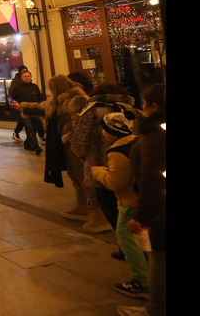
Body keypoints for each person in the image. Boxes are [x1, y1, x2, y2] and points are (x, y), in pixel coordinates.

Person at [117, 83, 166, 316]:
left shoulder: (155, 137)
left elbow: (152, 180)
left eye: (144, 104)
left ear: (153, 107)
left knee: (160, 262)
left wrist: (143, 216)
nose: (142, 108)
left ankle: (154, 310)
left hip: (161, 212)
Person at [91, 110, 149, 300]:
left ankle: (141, 281)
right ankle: (149, 271)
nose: (102, 133)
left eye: (104, 129)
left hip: (130, 201)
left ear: (111, 131)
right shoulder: (137, 140)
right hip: (143, 197)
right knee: (142, 238)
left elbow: (116, 182)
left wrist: (98, 172)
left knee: (125, 237)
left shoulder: (117, 151)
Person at [13, 75, 89, 217]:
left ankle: (89, 206)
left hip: (74, 145)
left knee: (80, 175)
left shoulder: (75, 100)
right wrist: (22, 107)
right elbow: (42, 108)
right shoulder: (56, 101)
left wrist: (70, 139)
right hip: (64, 143)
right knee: (73, 173)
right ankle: (82, 203)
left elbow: (80, 124)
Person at [71, 83, 140, 236]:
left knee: (111, 210)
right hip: (134, 170)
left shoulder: (91, 112)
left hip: (100, 170)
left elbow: (78, 141)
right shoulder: (132, 111)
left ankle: (126, 246)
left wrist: (84, 158)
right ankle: (136, 242)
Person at [9, 70, 44, 155]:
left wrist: (41, 106)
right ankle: (36, 146)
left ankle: (28, 144)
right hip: (24, 112)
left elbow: (40, 97)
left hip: (35, 111)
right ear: (21, 78)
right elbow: (10, 97)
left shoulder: (35, 86)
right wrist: (11, 107)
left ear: (31, 77)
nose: (27, 78)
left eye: (28, 76)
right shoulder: (17, 87)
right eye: (25, 76)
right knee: (29, 128)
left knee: (35, 128)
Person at [8, 65, 29, 139]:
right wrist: (10, 105)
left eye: (26, 71)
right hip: (19, 104)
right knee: (23, 119)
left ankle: (17, 133)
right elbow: (10, 93)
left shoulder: (27, 80)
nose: (26, 76)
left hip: (28, 104)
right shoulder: (16, 81)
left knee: (24, 119)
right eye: (23, 71)